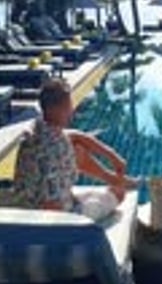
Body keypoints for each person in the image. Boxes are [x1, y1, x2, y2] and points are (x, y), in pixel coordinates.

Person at [13, 78, 137, 215]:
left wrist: (112, 156)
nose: (71, 111)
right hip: (59, 217)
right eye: (68, 106)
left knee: (76, 148)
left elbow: (76, 136)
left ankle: (112, 179)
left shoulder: (40, 129)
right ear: (55, 109)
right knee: (119, 195)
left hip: (49, 200)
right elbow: (50, 209)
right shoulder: (51, 154)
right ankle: (114, 184)